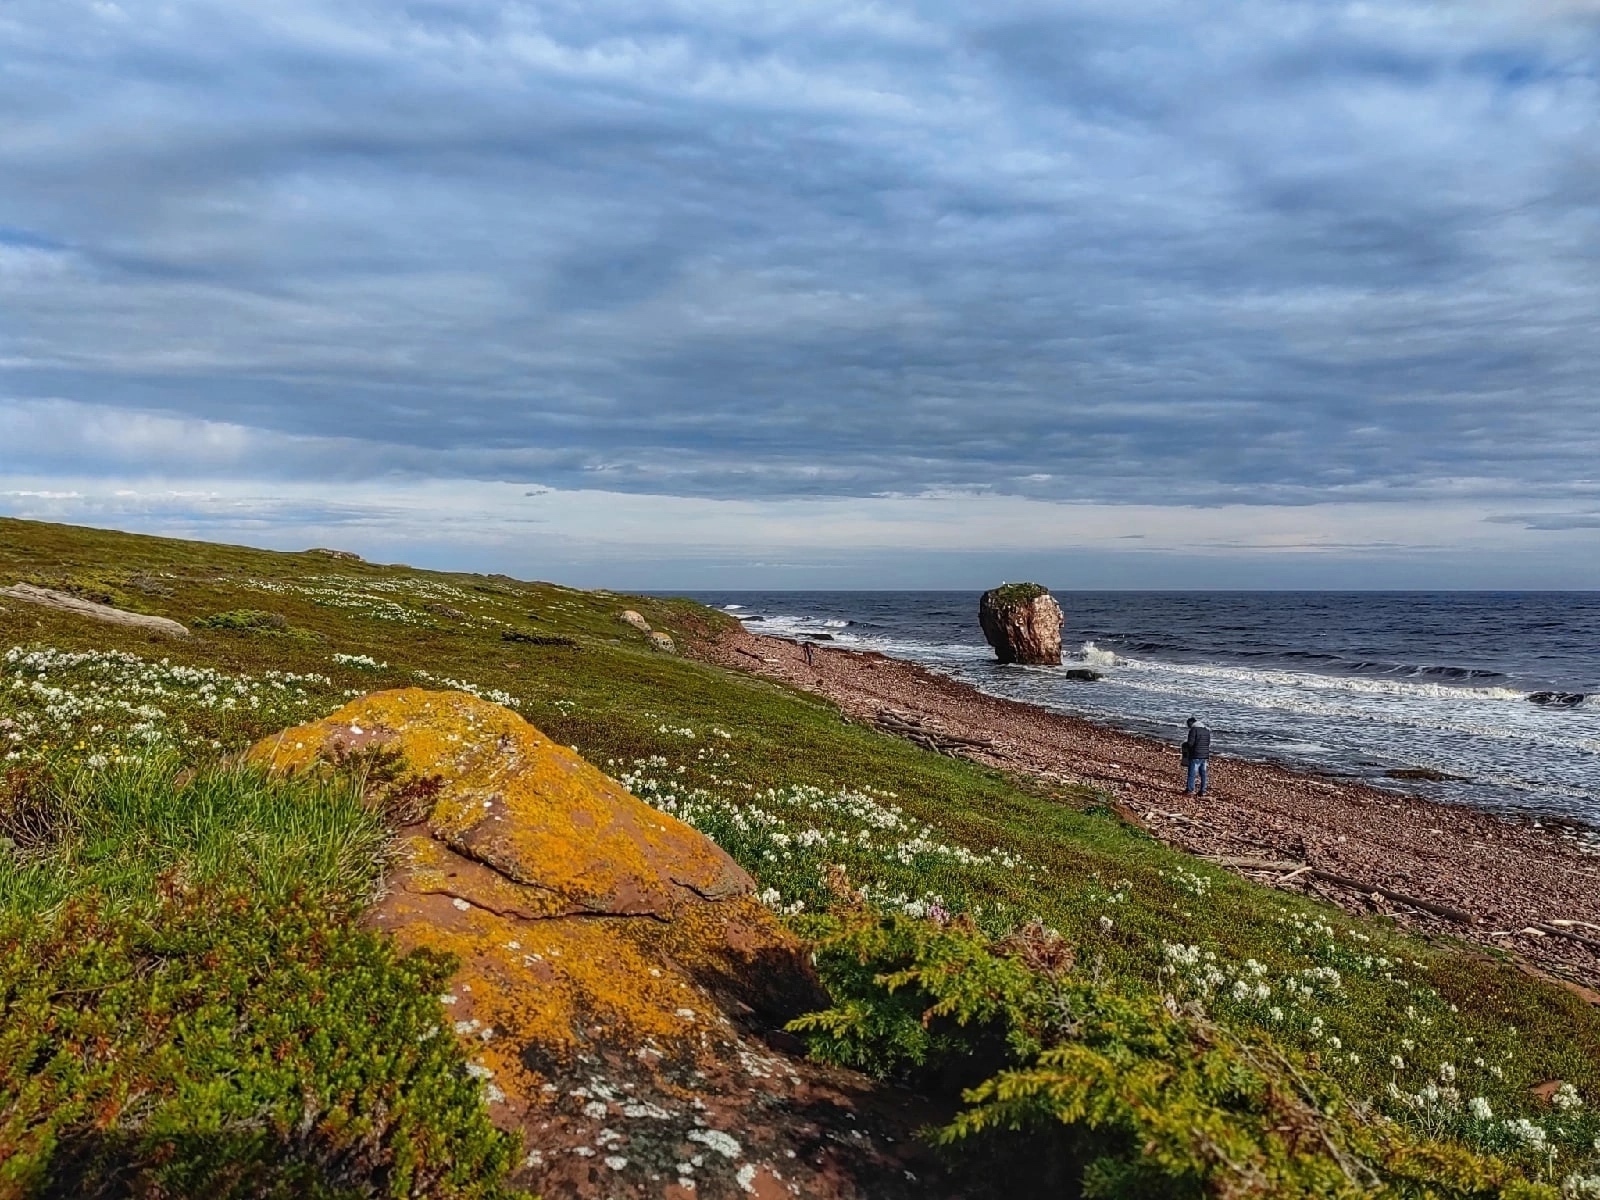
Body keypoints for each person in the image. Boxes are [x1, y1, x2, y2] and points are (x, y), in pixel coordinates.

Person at [1181, 716, 1211, 797]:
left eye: (1188, 725)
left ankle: (1190, 790)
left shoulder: (1193, 730)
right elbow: (1208, 743)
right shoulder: (1206, 730)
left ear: (1191, 723)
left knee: (1192, 773)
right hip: (1205, 755)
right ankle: (1203, 790)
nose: (1188, 727)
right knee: (1203, 773)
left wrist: (1185, 744)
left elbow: (1190, 743)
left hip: (1195, 755)